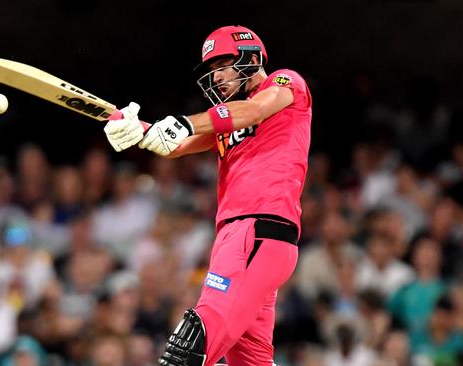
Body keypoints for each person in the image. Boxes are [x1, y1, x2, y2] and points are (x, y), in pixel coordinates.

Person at [104, 25, 312, 366]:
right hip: (241, 238)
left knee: (188, 351)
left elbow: (253, 111)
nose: (216, 77)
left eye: (223, 64)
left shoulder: (286, 83)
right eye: (212, 69)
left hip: (256, 230)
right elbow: (177, 145)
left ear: (251, 57)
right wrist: (138, 129)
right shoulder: (226, 117)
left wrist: (184, 123)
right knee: (251, 361)